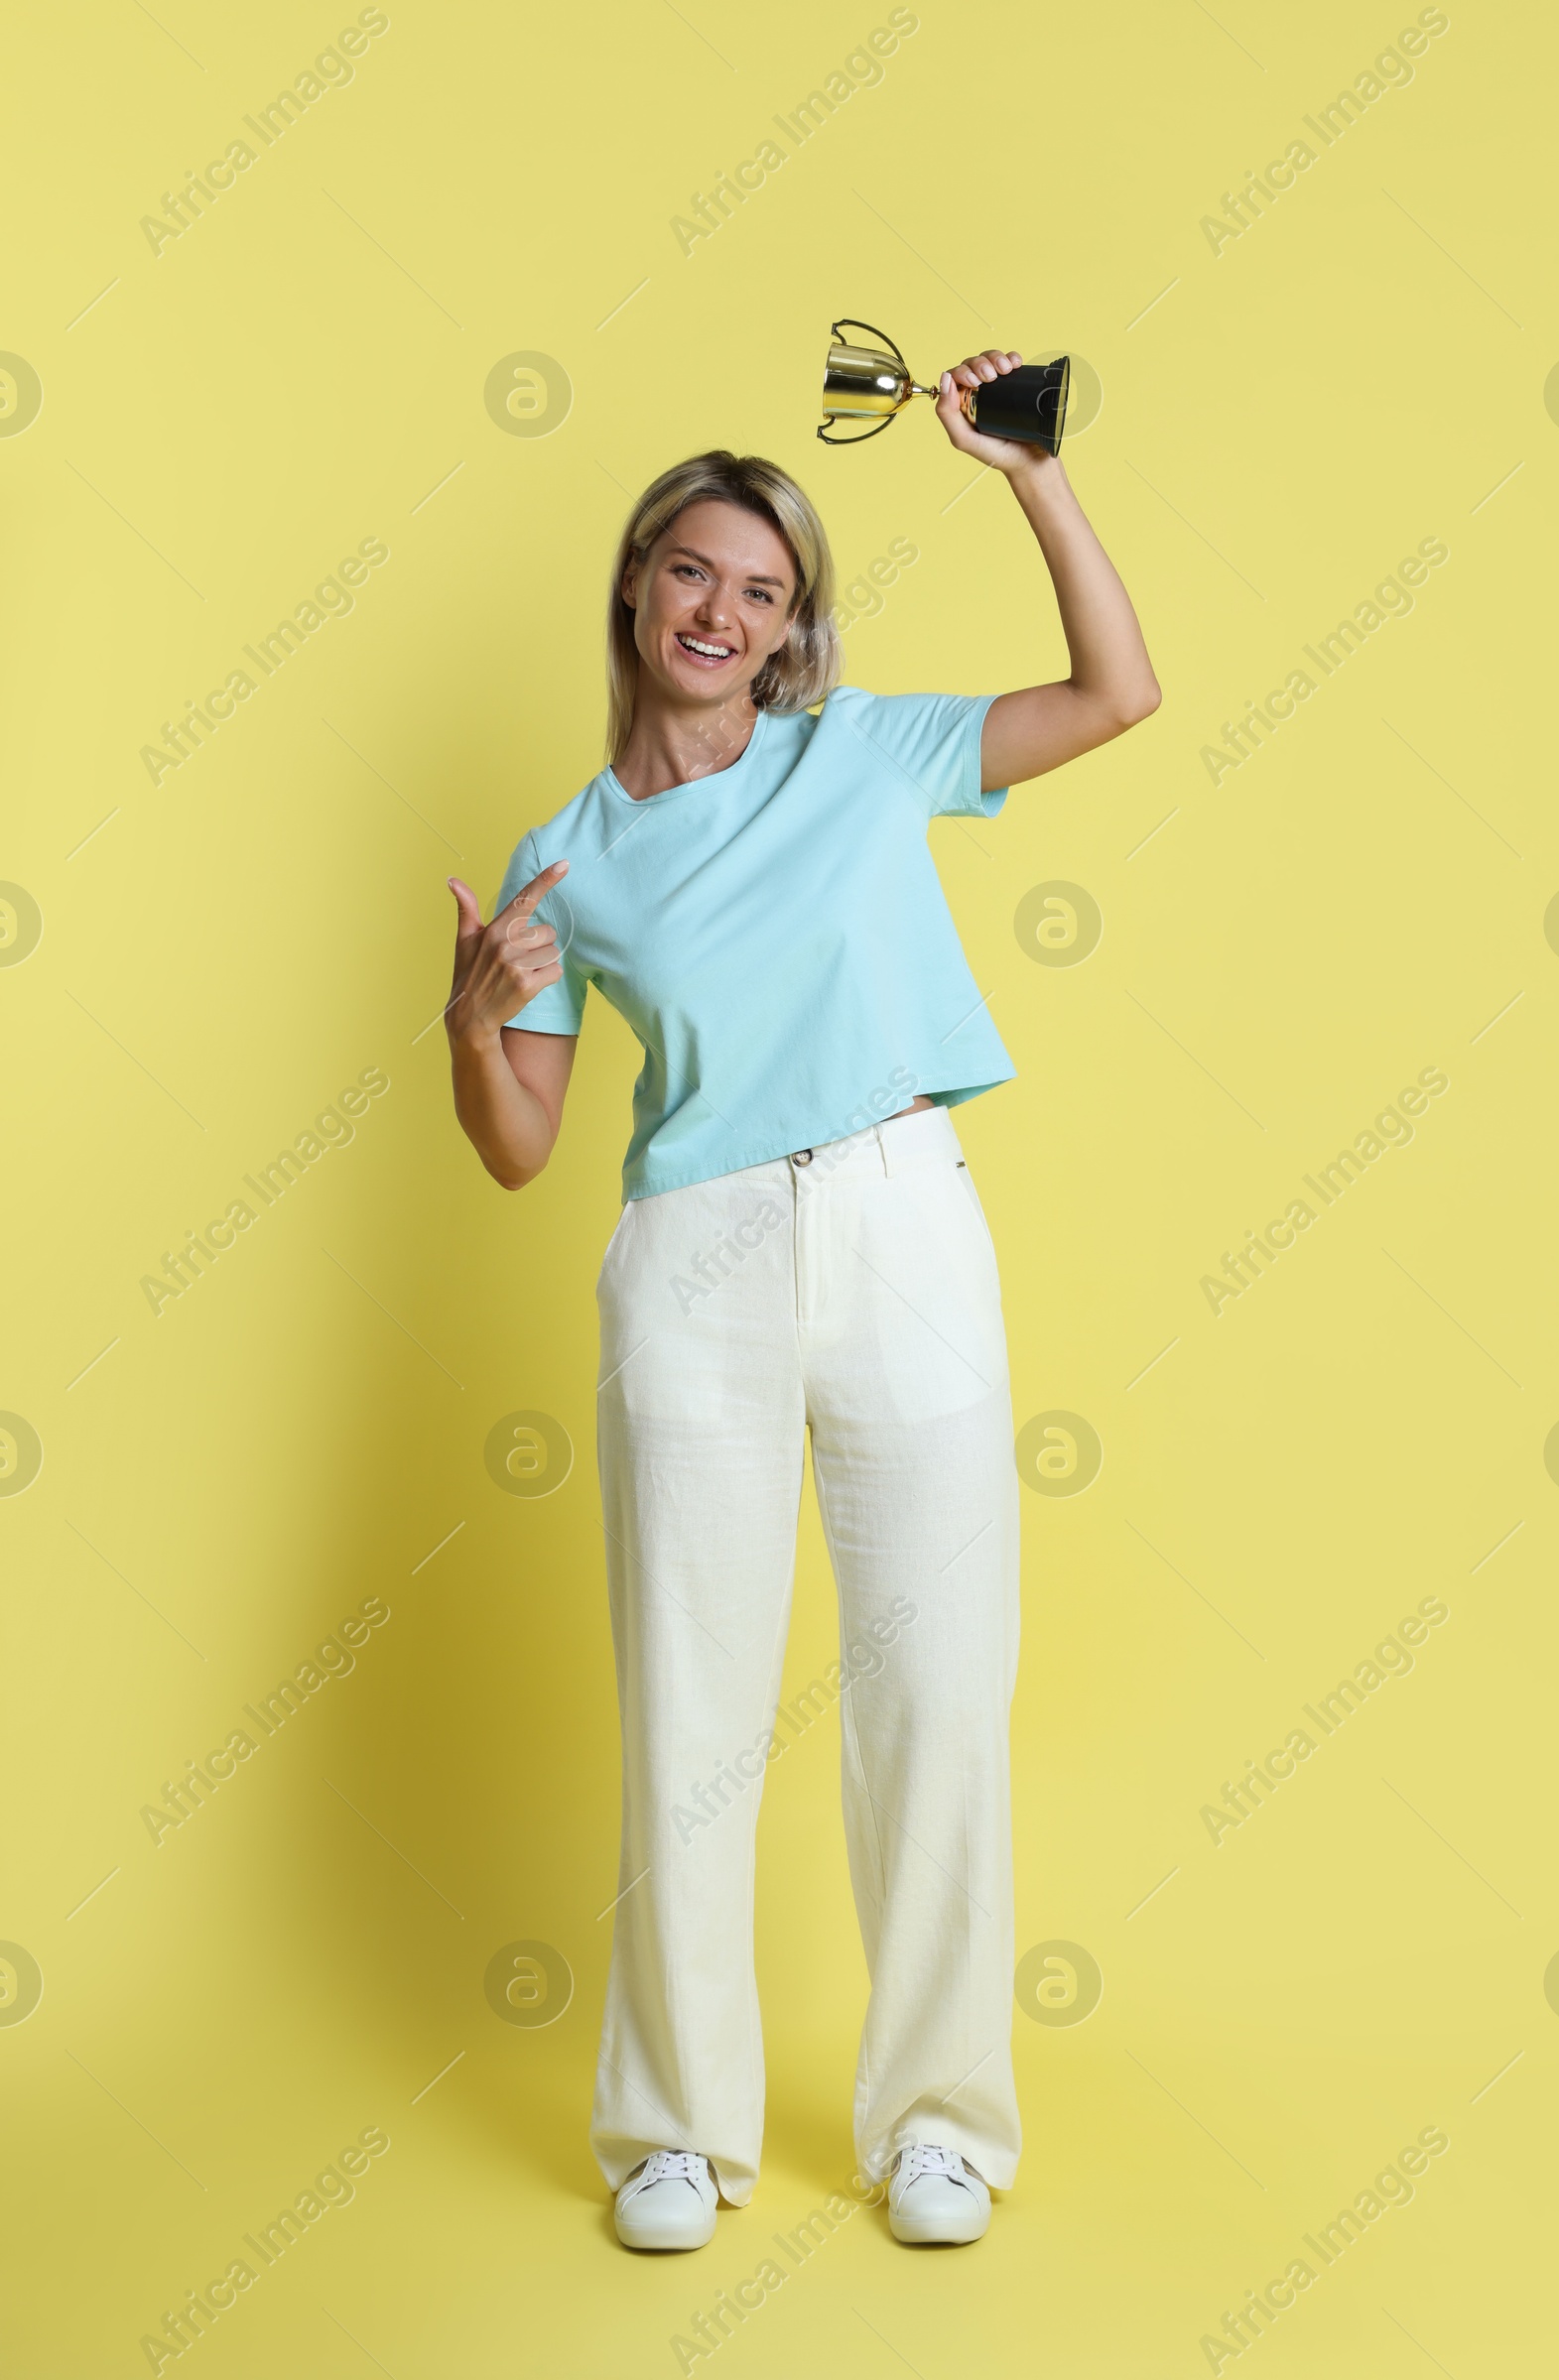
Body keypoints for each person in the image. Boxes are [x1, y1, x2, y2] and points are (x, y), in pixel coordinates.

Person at [444, 349, 1159, 2252]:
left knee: (937, 1686)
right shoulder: (564, 858)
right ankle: (674, 2129)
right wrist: (463, 1020)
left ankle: (939, 2120)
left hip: (904, 1217)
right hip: (697, 1263)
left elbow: (1117, 694)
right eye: (696, 573)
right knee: (690, 1703)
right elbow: (520, 1143)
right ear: (637, 585)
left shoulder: (862, 750)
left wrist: (1030, 478)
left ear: (795, 626)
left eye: (765, 592)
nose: (725, 614)